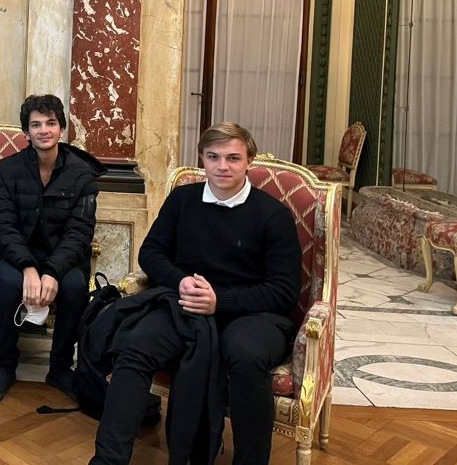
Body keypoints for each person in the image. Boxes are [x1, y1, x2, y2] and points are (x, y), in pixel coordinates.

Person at [90, 122, 302, 465]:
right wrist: (180, 281)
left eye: (233, 158)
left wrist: (220, 301)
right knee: (136, 346)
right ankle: (108, 460)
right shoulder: (183, 200)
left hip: (252, 314)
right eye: (213, 157)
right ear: (202, 159)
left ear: (249, 161)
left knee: (246, 356)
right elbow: (151, 253)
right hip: (184, 304)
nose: (222, 166)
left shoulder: (273, 215)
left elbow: (283, 291)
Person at [0, 93, 105, 405]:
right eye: (36, 125)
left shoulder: (82, 173)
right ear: (26, 132)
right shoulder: (8, 169)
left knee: (74, 287)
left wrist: (52, 271)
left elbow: (80, 232)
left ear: (62, 128)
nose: (44, 130)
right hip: (15, 254)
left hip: (63, 255)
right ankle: (5, 366)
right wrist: (28, 267)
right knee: (9, 284)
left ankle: (60, 368)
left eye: (51, 123)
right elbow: (3, 226)